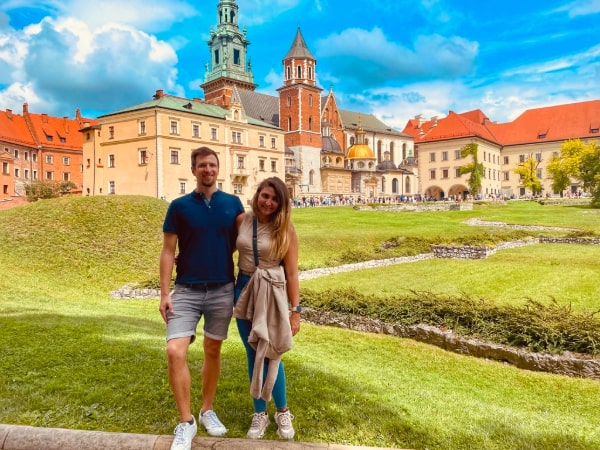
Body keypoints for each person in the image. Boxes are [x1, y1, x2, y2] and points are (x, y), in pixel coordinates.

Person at [159, 146, 244, 450]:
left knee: (212, 350)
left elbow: (242, 243)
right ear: (193, 169)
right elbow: (169, 250)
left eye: (212, 165)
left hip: (222, 288)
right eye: (202, 166)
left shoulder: (233, 204)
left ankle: (207, 409)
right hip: (186, 291)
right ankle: (186, 422)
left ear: (217, 169)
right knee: (174, 351)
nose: (208, 170)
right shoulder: (179, 206)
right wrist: (164, 292)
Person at [232, 177, 301, 440]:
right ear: (257, 194)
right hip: (244, 289)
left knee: (272, 352)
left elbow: (292, 273)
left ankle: (282, 410)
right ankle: (259, 413)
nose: (269, 202)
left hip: (272, 293)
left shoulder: (286, 229)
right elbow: (224, 251)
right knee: (253, 352)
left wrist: (295, 310)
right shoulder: (242, 221)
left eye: (275, 199)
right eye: (265, 196)